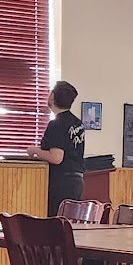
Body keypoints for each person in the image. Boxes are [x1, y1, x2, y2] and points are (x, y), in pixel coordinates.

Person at [30, 81, 86, 216]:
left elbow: (56, 157)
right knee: (69, 222)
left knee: (56, 223)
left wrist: (35, 150)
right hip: (77, 181)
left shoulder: (57, 124)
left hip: (61, 183)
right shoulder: (77, 123)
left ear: (52, 96)